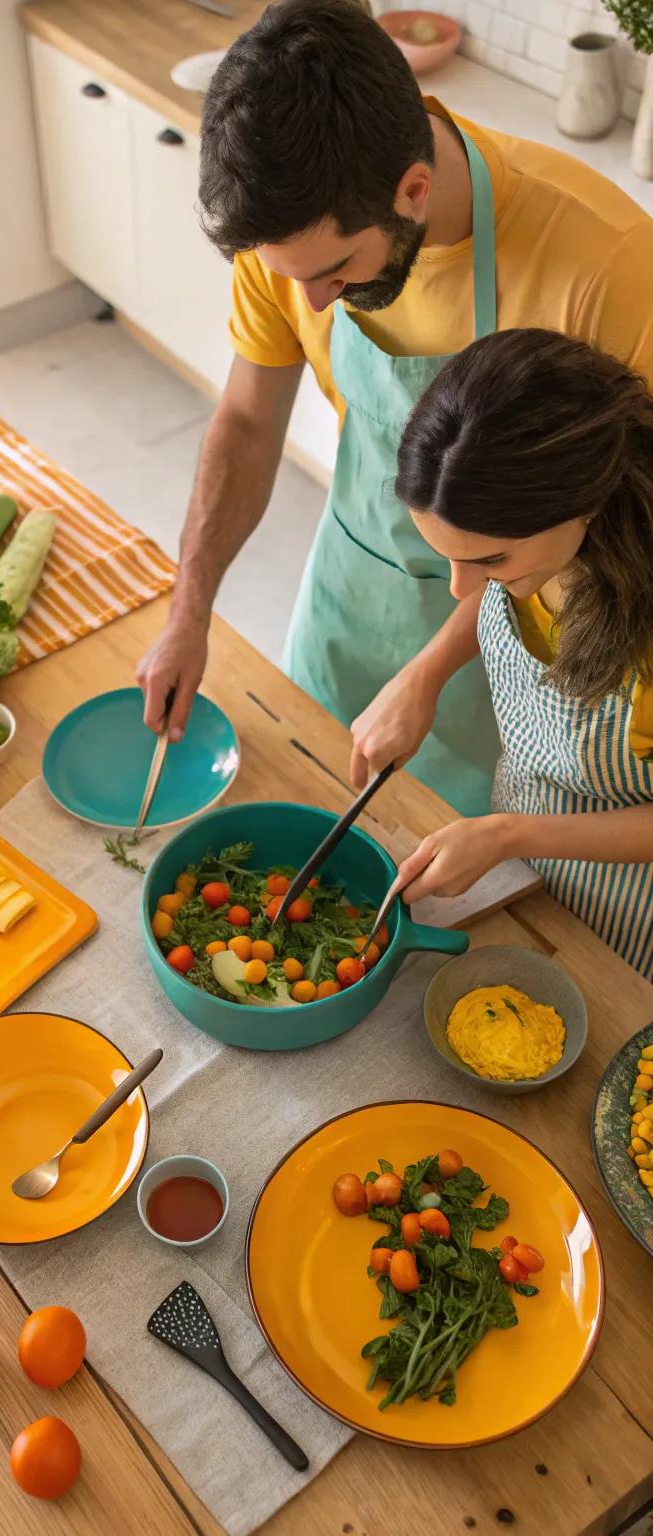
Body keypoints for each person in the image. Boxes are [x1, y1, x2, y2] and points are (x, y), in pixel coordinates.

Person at [136, 0, 653, 819]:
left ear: (413, 190)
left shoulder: (609, 268)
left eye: (335, 271)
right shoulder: (293, 233)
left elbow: (618, 525)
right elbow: (248, 423)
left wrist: (431, 668)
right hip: (351, 588)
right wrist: (188, 611)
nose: (310, 300)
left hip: (517, 626)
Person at [350, 328, 653, 976]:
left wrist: (511, 833)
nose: (461, 589)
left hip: (630, 906)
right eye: (450, 557)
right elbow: (489, 587)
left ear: (583, 505)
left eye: (490, 561)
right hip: (526, 839)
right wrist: (424, 674)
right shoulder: (542, 546)